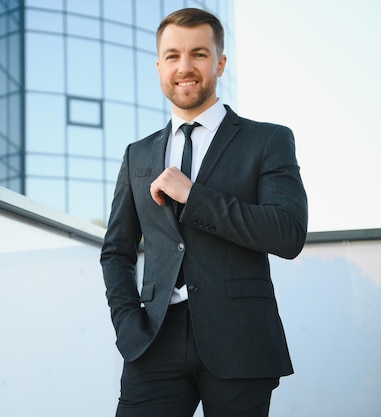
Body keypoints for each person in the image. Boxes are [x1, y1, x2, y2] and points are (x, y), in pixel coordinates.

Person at [100, 7, 308, 417]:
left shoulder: (268, 140)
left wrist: (193, 196)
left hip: (241, 339)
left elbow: (287, 233)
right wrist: (128, 323)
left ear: (220, 62)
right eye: (173, 55)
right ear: (160, 66)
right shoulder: (137, 155)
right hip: (153, 340)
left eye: (198, 53)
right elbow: (116, 252)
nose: (185, 66)